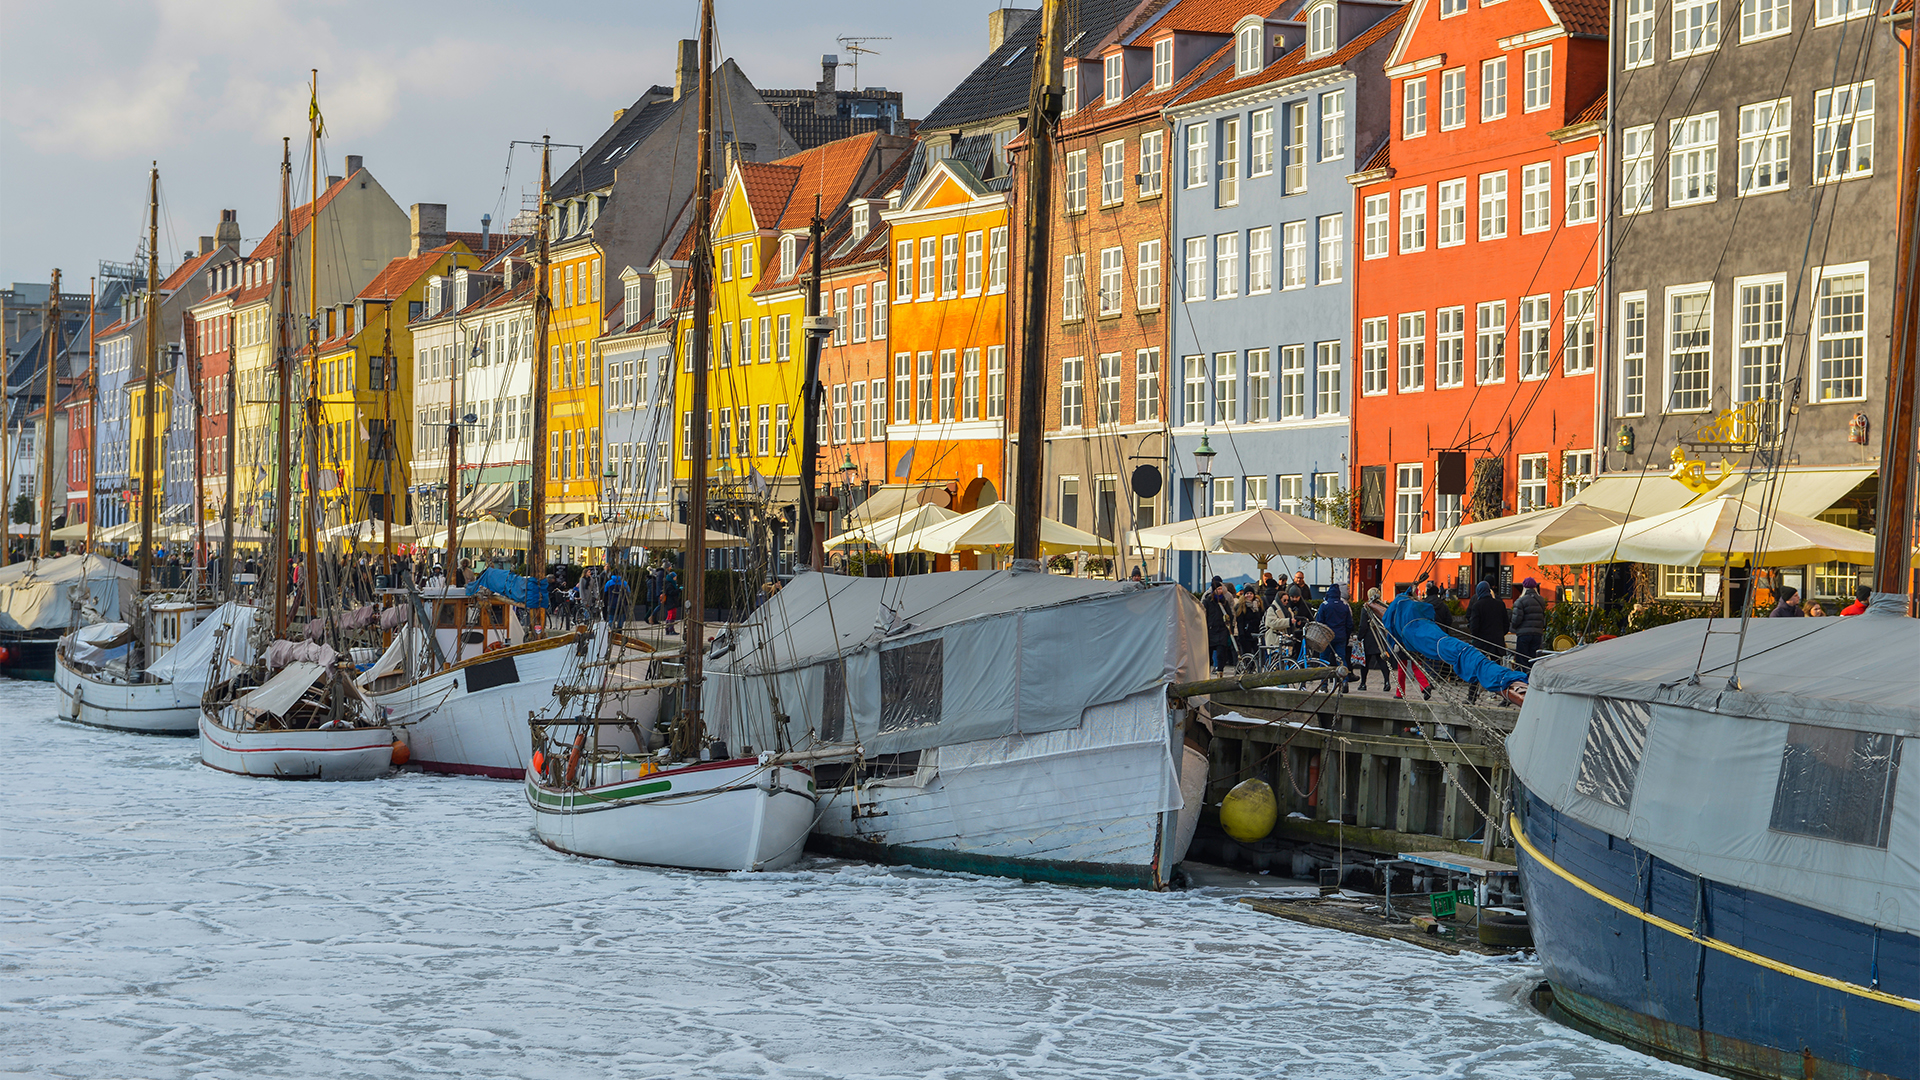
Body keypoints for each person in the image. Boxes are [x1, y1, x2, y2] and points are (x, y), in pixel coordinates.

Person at [1313, 583, 1353, 683]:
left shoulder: (1324, 605)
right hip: (1341, 636)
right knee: (1341, 660)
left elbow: (1319, 622)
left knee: (1324, 660)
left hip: (1327, 638)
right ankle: (1344, 682)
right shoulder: (1344, 606)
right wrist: (1346, 636)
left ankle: (1324, 684)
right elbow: (1349, 624)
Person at [1356, 587, 1391, 691]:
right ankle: (1387, 682)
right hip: (1381, 636)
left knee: (1365, 662)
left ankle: (1363, 683)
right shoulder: (1383, 607)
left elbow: (1363, 625)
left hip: (1369, 637)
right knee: (1382, 661)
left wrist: (1359, 637)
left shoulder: (1366, 607)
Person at [1466, 580, 1508, 661]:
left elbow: (1474, 626)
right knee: (1496, 668)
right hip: (1497, 644)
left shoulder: (1477, 606)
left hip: (1482, 644)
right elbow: (1506, 623)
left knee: (1480, 666)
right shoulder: (1500, 604)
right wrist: (1500, 634)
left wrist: (1476, 637)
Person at [1510, 577, 1547, 668]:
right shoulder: (1541, 600)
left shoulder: (1520, 601)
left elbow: (1516, 619)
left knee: (1522, 659)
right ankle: (1532, 678)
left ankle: (1523, 679)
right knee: (1533, 659)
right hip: (1537, 633)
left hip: (1524, 634)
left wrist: (1513, 628)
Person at [1203, 578, 1237, 673]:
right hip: (1211, 629)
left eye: (1220, 589)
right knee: (1208, 653)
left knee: (1221, 653)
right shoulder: (1207, 601)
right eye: (1218, 589)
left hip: (1222, 630)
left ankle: (1220, 670)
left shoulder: (1224, 601)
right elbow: (1204, 615)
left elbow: (1230, 614)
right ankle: (1206, 672)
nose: (1220, 591)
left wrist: (1229, 620)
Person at [1234, 585, 1264, 659]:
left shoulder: (1258, 605)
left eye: (1251, 593)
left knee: (1257, 654)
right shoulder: (1241, 606)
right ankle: (1247, 668)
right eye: (1247, 594)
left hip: (1256, 633)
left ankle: (1254, 668)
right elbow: (1240, 622)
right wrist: (1241, 634)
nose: (1249, 595)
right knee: (1247, 654)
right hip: (1246, 634)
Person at [662, 568, 682, 635]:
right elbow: (671, 592)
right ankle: (671, 630)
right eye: (675, 577)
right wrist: (679, 590)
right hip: (671, 602)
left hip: (670, 602)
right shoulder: (670, 585)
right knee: (672, 616)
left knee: (669, 616)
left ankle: (668, 629)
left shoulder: (668, 584)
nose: (675, 578)